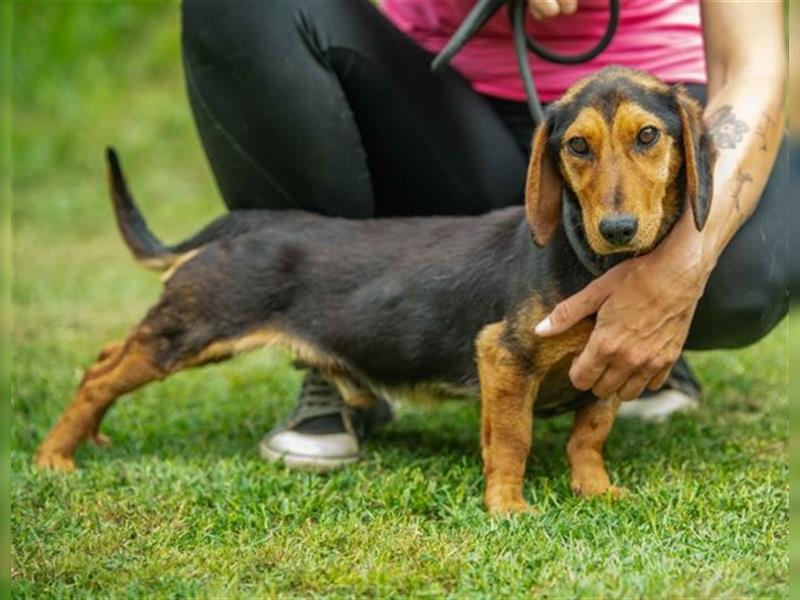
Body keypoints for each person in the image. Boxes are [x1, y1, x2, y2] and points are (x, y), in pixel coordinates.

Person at [180, 0, 788, 471]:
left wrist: (679, 268)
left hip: (670, 101)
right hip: (436, 113)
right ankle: (339, 351)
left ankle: (628, 354)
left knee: (743, 276)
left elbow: (754, 64)